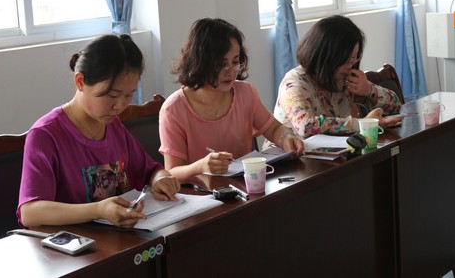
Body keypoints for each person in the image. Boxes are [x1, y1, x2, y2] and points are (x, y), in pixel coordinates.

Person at [18, 34, 180, 229]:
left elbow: (150, 170)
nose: (119, 106)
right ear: (80, 82)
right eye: (111, 95)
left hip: (124, 238)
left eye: (129, 95)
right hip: (80, 244)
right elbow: (30, 212)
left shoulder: (113, 126)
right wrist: (97, 210)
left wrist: (161, 179)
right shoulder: (46, 135)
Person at [159, 18, 305, 181]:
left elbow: (274, 129)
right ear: (201, 62)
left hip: (244, 186)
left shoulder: (246, 93)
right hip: (201, 192)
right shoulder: (173, 109)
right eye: (221, 64)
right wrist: (201, 167)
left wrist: (286, 138)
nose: (231, 71)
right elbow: (171, 173)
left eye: (235, 61)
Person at [274, 15, 403, 139]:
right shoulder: (294, 84)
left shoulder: (344, 79)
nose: (350, 66)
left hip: (335, 151)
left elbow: (397, 107)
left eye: (353, 59)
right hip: (292, 153)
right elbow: (306, 126)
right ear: (326, 57)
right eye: (346, 60)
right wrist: (361, 123)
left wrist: (369, 90)